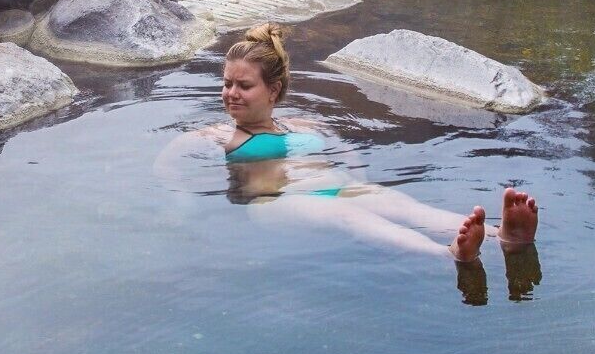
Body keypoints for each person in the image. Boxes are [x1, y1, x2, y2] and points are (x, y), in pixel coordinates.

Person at [196, 22, 539, 271]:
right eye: (226, 83)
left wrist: (357, 183)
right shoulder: (217, 135)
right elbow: (168, 170)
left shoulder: (305, 124)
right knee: (349, 215)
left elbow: (345, 153)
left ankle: (504, 236)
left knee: (405, 208)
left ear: (273, 90)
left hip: (339, 188)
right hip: (277, 201)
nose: (231, 93)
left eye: (243, 85)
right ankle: (448, 255)